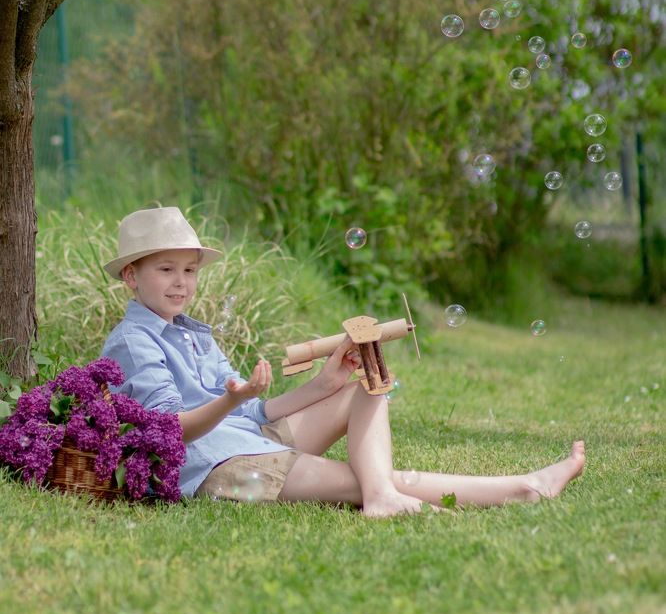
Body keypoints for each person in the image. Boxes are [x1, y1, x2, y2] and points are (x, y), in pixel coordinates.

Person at [102, 207, 585, 516]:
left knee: (362, 388)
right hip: (214, 465)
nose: (181, 282)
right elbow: (170, 432)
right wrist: (232, 399)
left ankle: (382, 495)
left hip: (245, 438)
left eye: (189, 270)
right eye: (166, 269)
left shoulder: (192, 333)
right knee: (368, 479)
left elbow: (254, 413)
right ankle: (521, 488)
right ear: (131, 276)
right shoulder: (134, 342)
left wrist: (322, 384)